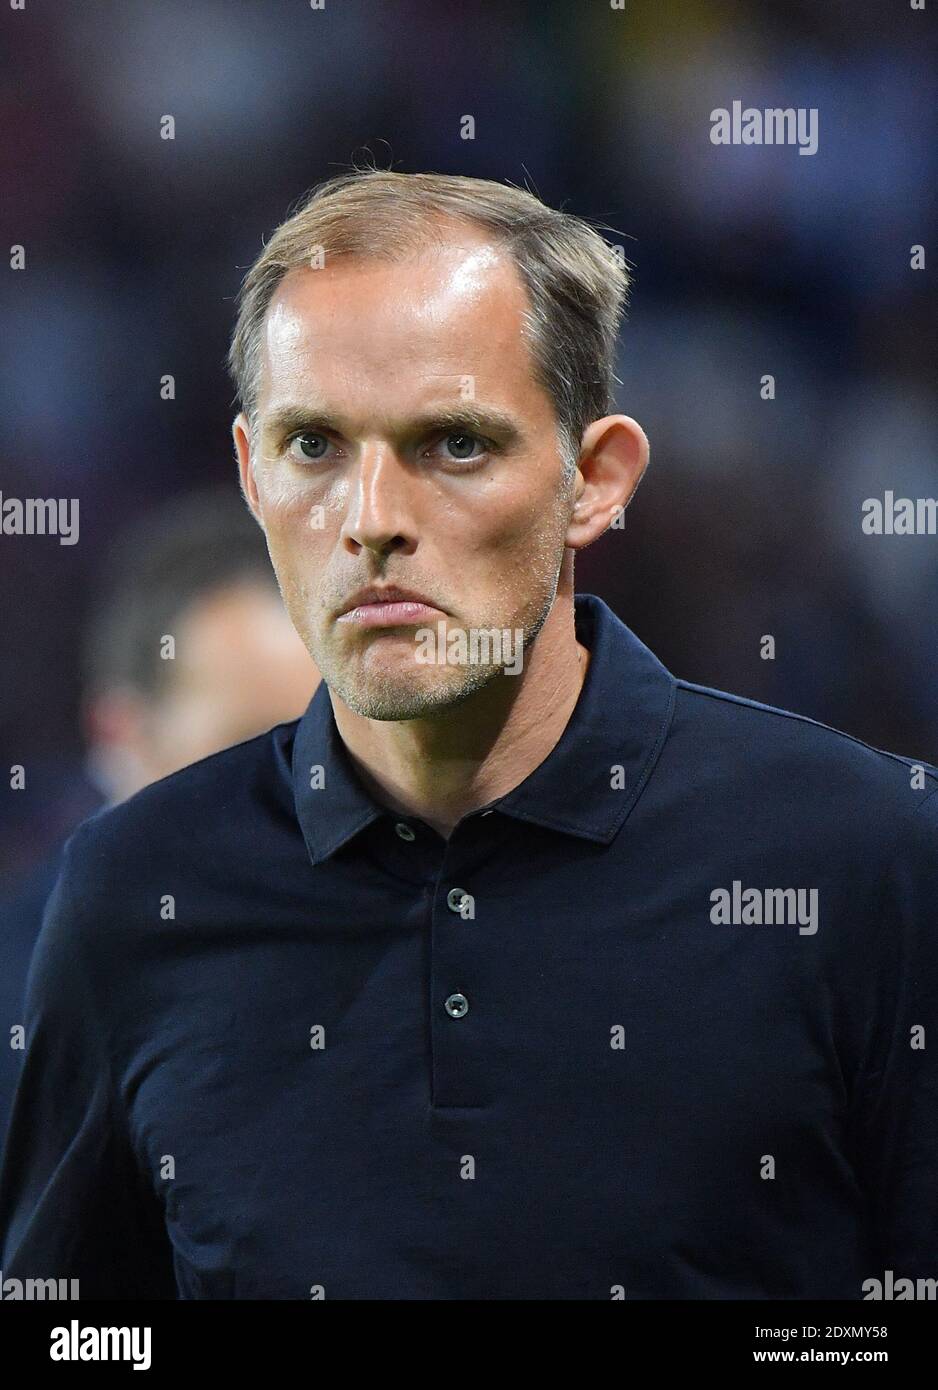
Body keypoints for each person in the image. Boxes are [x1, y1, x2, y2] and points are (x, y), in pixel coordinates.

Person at [1, 170, 935, 1300]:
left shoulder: (864, 855)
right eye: (313, 447)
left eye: (451, 443)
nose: (371, 519)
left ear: (594, 481)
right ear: (249, 474)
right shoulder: (129, 891)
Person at [0, 492, 319, 1152]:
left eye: (326, 746)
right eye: (247, 751)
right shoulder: (25, 993)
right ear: (120, 734)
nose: (307, 790)